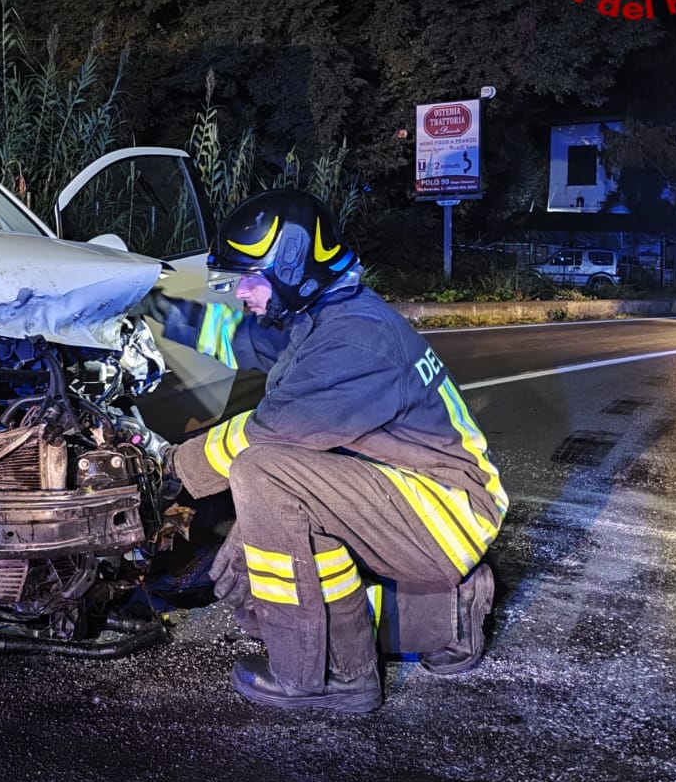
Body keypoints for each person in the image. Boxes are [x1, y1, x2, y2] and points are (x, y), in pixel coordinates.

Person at [140, 190, 508, 713]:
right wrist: (153, 309)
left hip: (447, 511)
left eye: (251, 278)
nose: (240, 293)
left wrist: (167, 467)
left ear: (291, 266)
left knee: (263, 475)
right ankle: (446, 617)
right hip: (414, 492)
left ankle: (320, 676)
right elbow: (240, 339)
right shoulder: (325, 317)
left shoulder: (355, 343)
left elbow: (267, 434)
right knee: (247, 580)